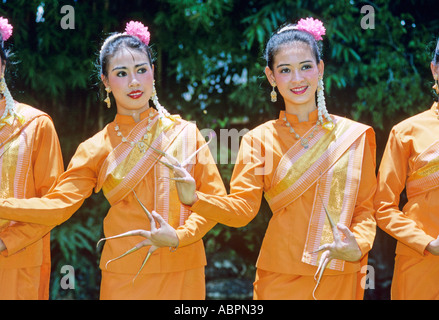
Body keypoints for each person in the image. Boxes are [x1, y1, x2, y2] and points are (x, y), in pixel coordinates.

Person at [0, 21, 225, 300]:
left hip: (184, 268)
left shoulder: (186, 133)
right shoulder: (95, 147)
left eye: (141, 70)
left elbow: (215, 201)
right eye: (121, 73)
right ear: (106, 81)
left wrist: (181, 236)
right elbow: (57, 207)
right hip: (124, 274)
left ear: (153, 73)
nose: (133, 82)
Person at [176, 18, 377, 300]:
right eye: (285, 70)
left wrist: (360, 243)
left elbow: (365, 209)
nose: (297, 79)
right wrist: (194, 198)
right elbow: (243, 210)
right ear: (271, 77)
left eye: (306, 67)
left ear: (320, 69)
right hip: (280, 278)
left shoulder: (353, 136)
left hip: (339, 271)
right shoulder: (258, 139)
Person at [0, 17, 64, 299]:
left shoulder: (35, 125)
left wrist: (5, 241)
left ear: (2, 65)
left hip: (17, 262)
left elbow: (54, 204)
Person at [373, 38, 439, 300]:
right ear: (435, 69)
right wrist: (426, 242)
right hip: (419, 261)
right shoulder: (405, 132)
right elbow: (382, 206)